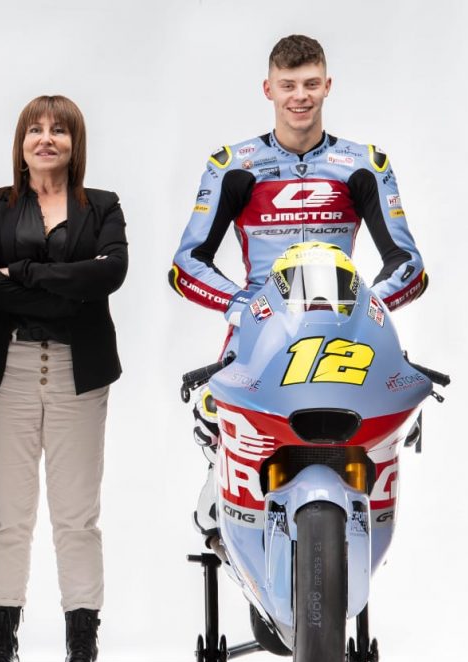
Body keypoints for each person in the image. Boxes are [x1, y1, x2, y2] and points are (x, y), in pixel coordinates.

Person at [169, 34, 426, 551]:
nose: (300, 96)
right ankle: (224, 487)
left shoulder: (364, 163)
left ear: (328, 86)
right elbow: (187, 263)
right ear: (268, 89)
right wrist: (242, 307)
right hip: (260, 331)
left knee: (387, 420)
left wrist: (371, 307)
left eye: (310, 84)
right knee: (215, 415)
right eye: (288, 85)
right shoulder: (233, 164)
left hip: (343, 325)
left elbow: (409, 265)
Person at [0, 95, 127, 662]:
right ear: (21, 141)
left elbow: (110, 273)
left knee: (77, 517)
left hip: (78, 370)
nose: (46, 138)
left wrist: (26, 274)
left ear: (75, 142)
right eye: (35, 129)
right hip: (6, 367)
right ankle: (1, 653)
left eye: (59, 129)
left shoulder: (102, 206)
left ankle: (81, 654)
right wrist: (68, 289)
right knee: (9, 516)